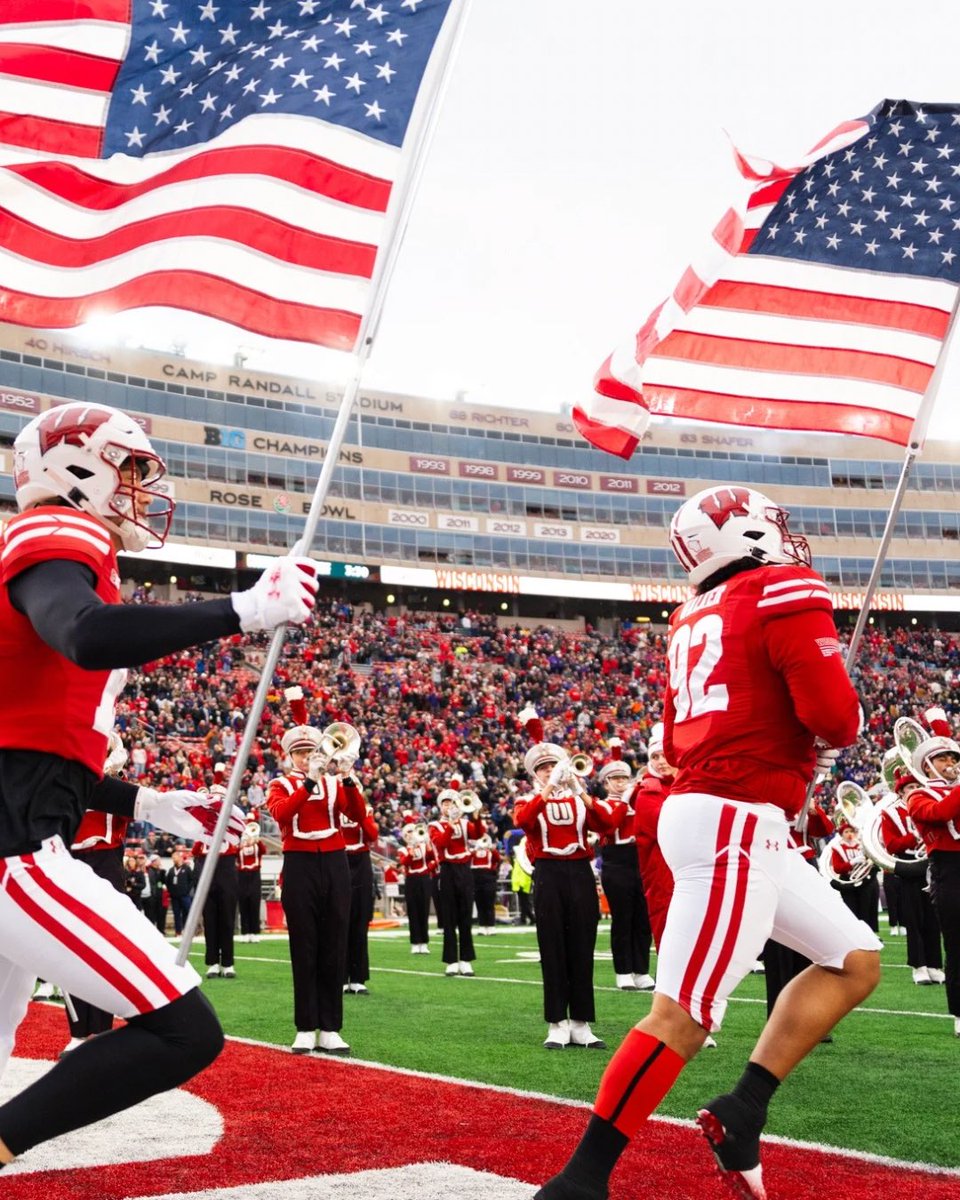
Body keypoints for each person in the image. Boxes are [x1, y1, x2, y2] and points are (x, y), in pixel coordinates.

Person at [537, 485, 881, 1200]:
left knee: (854, 960)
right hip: (733, 819)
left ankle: (744, 1110)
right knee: (683, 1017)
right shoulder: (783, 590)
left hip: (730, 812)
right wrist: (823, 723)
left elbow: (672, 741)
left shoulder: (692, 612)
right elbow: (837, 718)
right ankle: (579, 1182)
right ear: (745, 534)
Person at [0, 401, 318, 1168]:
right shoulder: (57, 529)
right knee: (184, 1030)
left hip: (21, 821)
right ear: (75, 468)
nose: (143, 489)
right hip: (13, 852)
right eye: (131, 470)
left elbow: (30, 749)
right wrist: (241, 610)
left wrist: (147, 804)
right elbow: (87, 635)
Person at [265, 695, 365, 1055]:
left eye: (311, 751)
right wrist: (309, 781)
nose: (307, 757)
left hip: (335, 862)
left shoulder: (335, 781)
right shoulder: (280, 784)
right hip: (299, 864)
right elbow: (282, 814)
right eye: (300, 753)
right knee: (304, 945)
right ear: (290, 756)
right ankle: (306, 1026)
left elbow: (358, 816)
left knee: (335, 944)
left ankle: (331, 1028)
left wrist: (348, 776)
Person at [514, 721, 618, 1050]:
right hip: (548, 874)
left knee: (582, 946)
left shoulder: (578, 799)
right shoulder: (528, 800)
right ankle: (557, 1023)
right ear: (535, 774)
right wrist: (548, 789)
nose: (550, 771)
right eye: (543, 768)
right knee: (553, 947)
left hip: (580, 873)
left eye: (553, 766)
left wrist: (579, 788)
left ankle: (581, 1023)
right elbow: (523, 821)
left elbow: (607, 824)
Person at [901, 708, 960, 1037]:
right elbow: (940, 813)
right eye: (943, 758)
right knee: (958, 946)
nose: (950, 763)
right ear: (927, 765)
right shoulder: (918, 795)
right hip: (949, 872)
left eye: (953, 757)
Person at [596, 748, 653, 992]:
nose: (621, 782)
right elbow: (610, 826)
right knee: (622, 918)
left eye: (624, 778)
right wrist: (626, 798)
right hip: (616, 861)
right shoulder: (602, 804)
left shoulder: (637, 800)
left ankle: (642, 970)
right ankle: (623, 971)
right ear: (606, 783)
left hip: (640, 860)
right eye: (615, 779)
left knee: (643, 918)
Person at [883, 770, 944, 986]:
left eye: (918, 786)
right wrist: (914, 836)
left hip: (932, 861)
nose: (915, 790)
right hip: (908, 866)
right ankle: (919, 967)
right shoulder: (890, 813)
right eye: (910, 787)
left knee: (933, 919)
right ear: (900, 792)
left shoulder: (928, 804)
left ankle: (935, 965)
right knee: (914, 918)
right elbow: (891, 845)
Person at [429, 789, 483, 976]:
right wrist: (451, 825)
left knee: (466, 916)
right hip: (447, 870)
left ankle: (466, 960)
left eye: (452, 803)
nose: (449, 806)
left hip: (464, 870)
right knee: (449, 917)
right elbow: (440, 844)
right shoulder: (435, 825)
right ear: (441, 807)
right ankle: (451, 961)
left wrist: (476, 815)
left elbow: (478, 834)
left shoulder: (465, 823)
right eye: (446, 803)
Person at [192, 791, 240, 979]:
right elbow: (196, 850)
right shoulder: (202, 823)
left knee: (227, 918)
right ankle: (212, 962)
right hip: (206, 865)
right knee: (210, 919)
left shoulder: (231, 822)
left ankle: (227, 963)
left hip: (226, 866)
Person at [341, 802, 380, 994]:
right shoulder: (334, 807)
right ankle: (340, 977)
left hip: (362, 862)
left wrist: (361, 814)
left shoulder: (366, 811)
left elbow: (372, 835)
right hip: (339, 859)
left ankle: (358, 977)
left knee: (360, 919)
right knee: (338, 921)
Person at [398, 820, 437, 954]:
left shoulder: (424, 846)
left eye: (413, 831)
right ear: (405, 835)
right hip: (411, 880)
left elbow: (434, 858)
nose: (411, 834)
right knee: (413, 912)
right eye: (408, 832)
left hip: (424, 879)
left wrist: (427, 869)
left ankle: (424, 943)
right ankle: (415, 943)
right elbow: (404, 862)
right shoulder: (403, 849)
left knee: (424, 911)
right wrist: (411, 851)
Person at [237, 814, 266, 943]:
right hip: (242, 876)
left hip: (254, 875)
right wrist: (241, 844)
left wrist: (257, 841)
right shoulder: (240, 847)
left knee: (254, 903)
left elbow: (263, 851)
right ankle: (245, 932)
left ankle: (254, 932)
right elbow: (235, 855)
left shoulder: (257, 845)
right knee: (243, 904)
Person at [471, 833, 501, 935]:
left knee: (489, 903)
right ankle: (482, 925)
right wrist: (475, 848)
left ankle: (491, 925)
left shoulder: (490, 852)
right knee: (479, 903)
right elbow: (468, 858)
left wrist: (491, 848)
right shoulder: (474, 853)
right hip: (476, 879)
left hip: (489, 879)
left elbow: (497, 859)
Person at [166, 845, 196, 936]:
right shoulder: (171, 870)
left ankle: (188, 931)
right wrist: (171, 892)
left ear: (179, 858)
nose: (173, 859)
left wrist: (187, 890)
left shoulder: (187, 868)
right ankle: (178, 931)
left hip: (185, 895)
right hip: (175, 896)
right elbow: (168, 882)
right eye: (172, 858)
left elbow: (191, 880)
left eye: (174, 857)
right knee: (176, 914)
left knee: (188, 912)